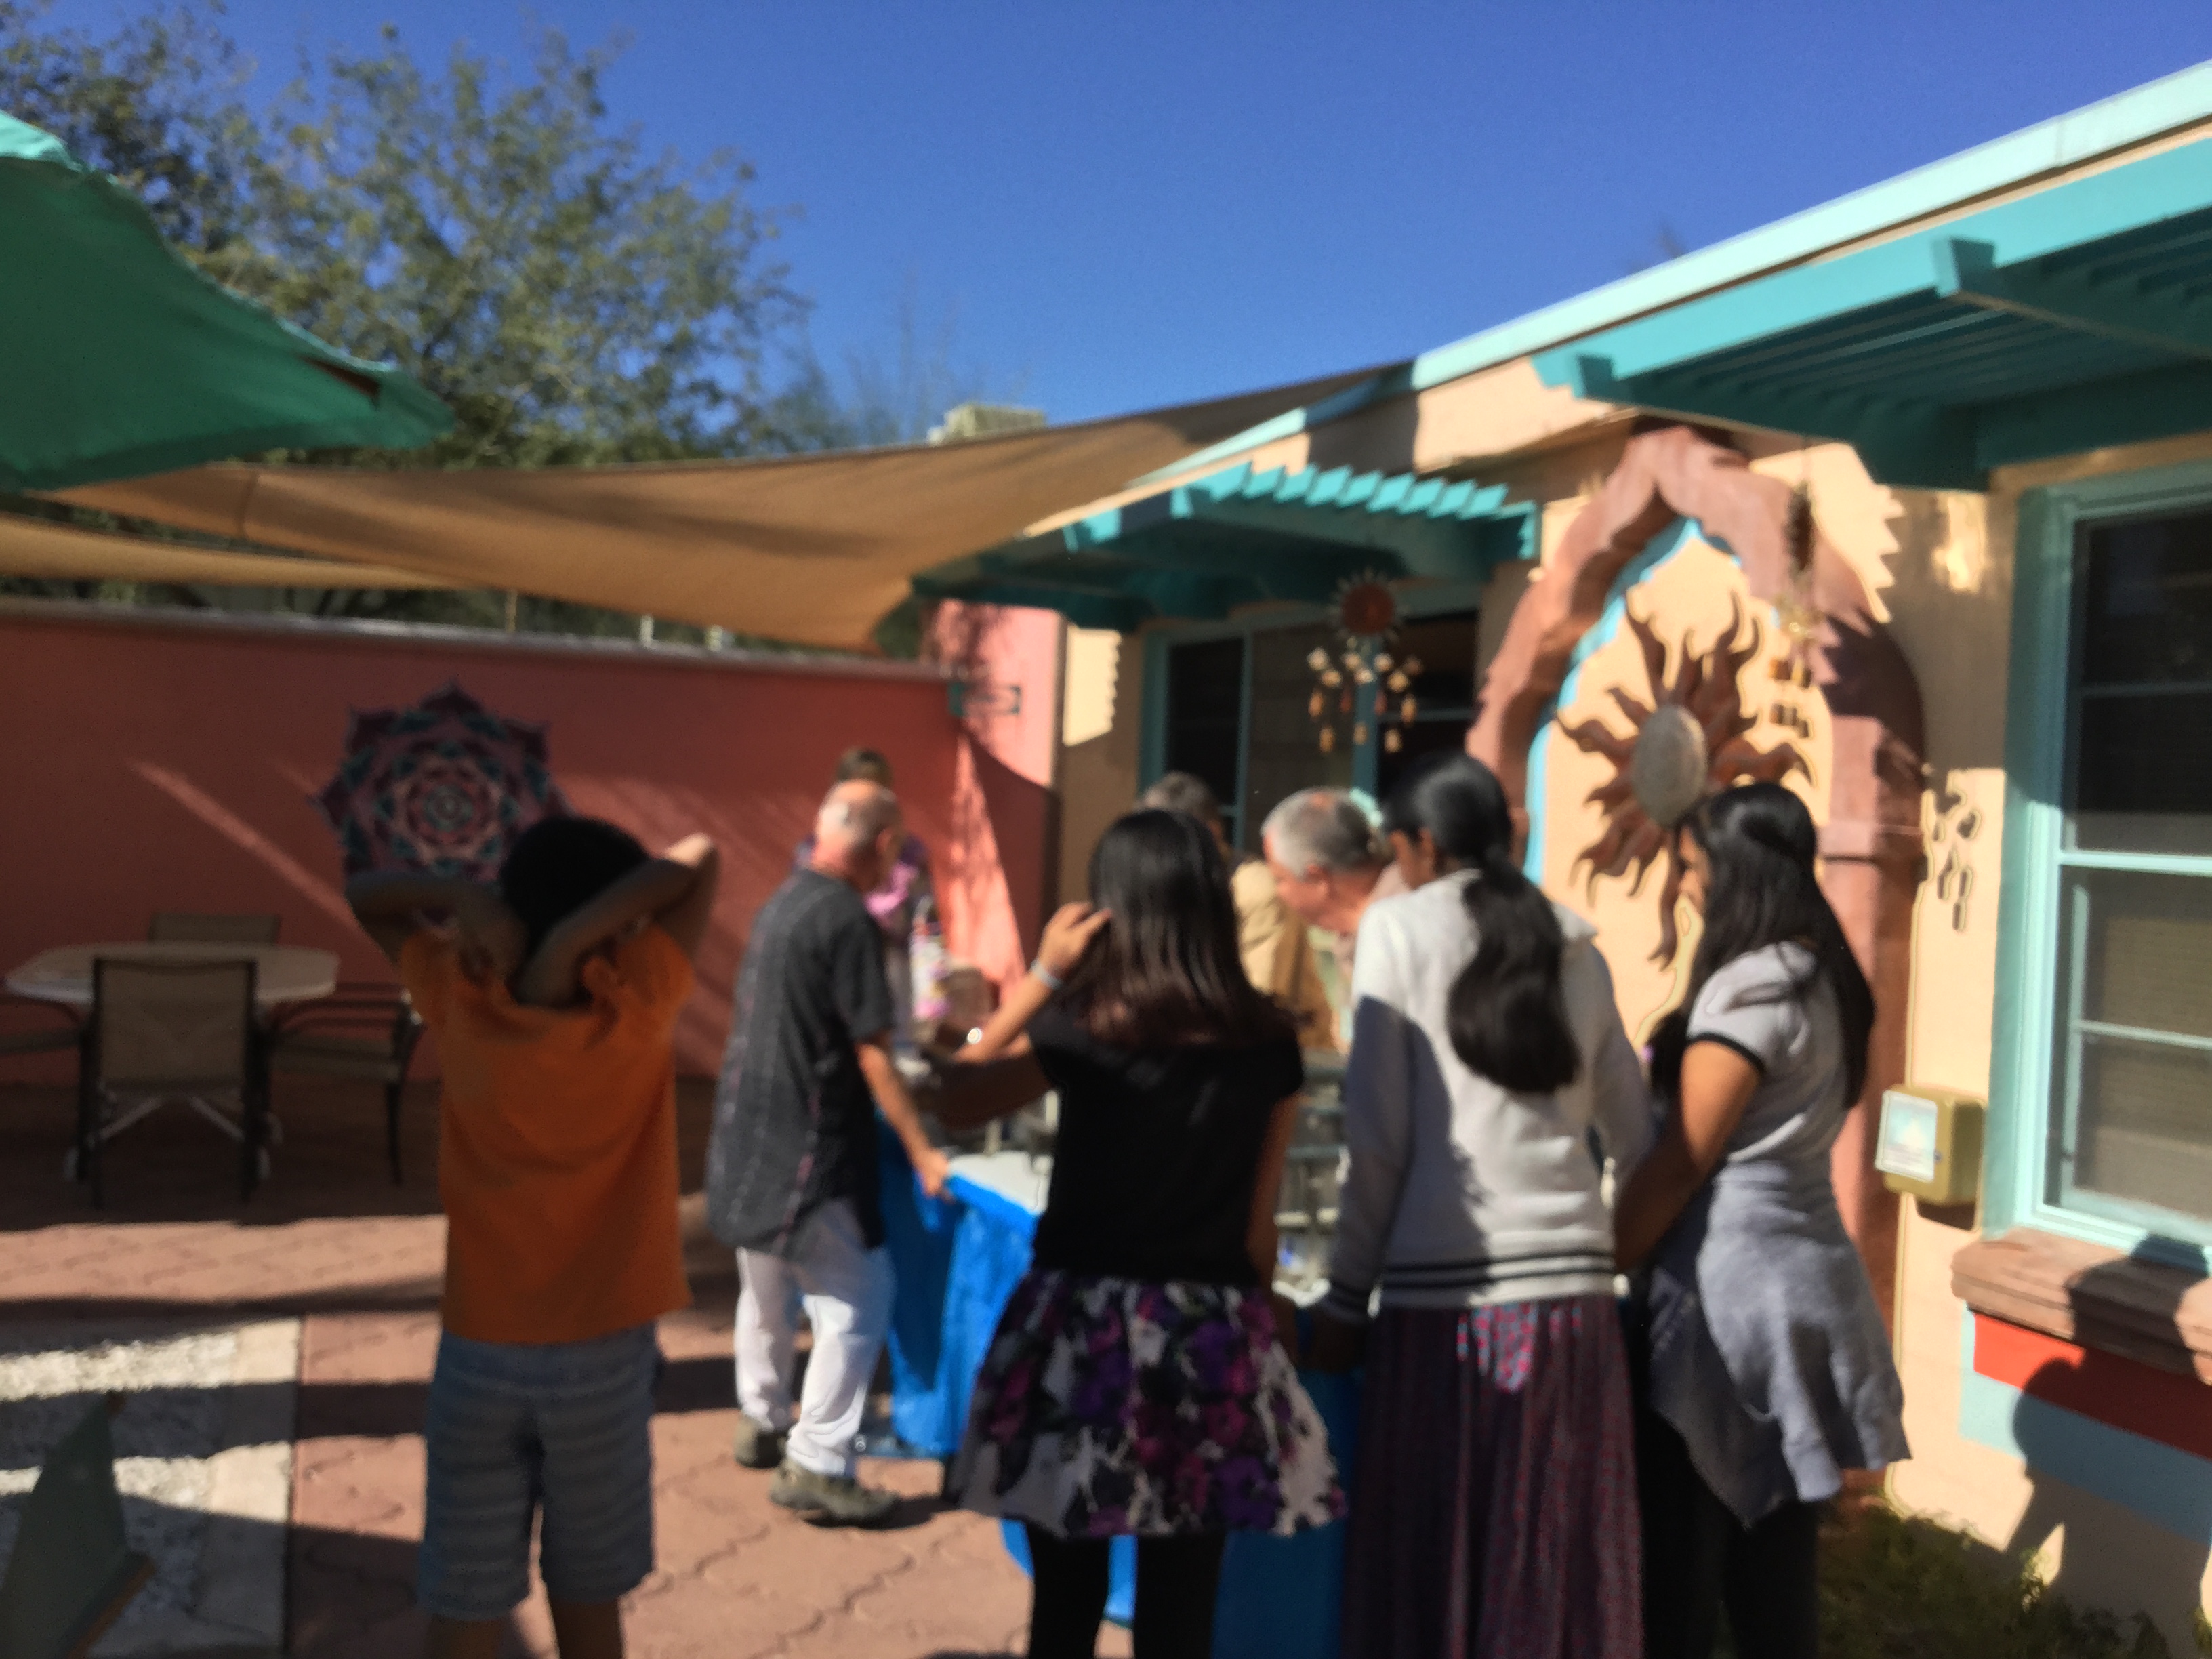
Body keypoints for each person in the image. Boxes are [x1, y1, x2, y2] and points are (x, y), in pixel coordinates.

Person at [929, 810, 1345, 1659]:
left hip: (1080, 1331)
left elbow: (957, 1096)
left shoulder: (1086, 1027)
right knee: (1180, 1613)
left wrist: (1045, 973)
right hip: (1208, 1339)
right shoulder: (1267, 1041)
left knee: (1065, 1603)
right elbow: (1259, 1229)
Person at [348, 817, 720, 1659]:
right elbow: (700, 858)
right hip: (603, 1356)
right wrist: (574, 942)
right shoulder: (640, 994)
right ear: (618, 917)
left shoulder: (462, 995)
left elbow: (365, 894)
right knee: (588, 1596)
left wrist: (462, 899)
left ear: (511, 904)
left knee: (467, 1603)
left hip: (480, 1351)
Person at [1308, 755, 1652, 1659]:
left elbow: (1377, 1145)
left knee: (1443, 1554)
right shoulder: (1578, 947)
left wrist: (1345, 1296)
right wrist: (1616, 1253)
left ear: (1422, 845)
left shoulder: (1397, 932)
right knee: (1550, 1553)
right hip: (1576, 1312)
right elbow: (1636, 1132)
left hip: (1447, 1312)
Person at [1613, 783, 1908, 1659]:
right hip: (1809, 1278)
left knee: (1680, 1563)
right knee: (1774, 1563)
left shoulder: (1750, 989)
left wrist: (1608, 1255)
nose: (1684, 887)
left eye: (1691, 867)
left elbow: (1683, 1159)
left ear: (1736, 872)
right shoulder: (1825, 975)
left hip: (1727, 1294)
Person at [706, 780, 954, 1526]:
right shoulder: (846, 919)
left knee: (766, 1291)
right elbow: (873, 1051)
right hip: (808, 1149)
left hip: (750, 1141)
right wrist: (924, 1151)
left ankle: (761, 1418)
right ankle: (818, 1461)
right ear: (883, 845)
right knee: (858, 1296)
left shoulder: (782, 902)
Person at [1137, 771, 1336, 1050]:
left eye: (1165, 842)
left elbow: (1256, 1003)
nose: (1155, 855)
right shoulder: (1167, 887)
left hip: (1279, 1060)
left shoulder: (1257, 890)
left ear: (1211, 834)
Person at [794, 746, 940, 1046]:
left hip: (892, 977)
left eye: (879, 789)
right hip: (831, 972)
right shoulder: (815, 854)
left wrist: (931, 1001)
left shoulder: (909, 854)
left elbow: (925, 925)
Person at [1260, 788, 1406, 1014]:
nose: (1277, 892)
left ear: (1317, 878)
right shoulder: (1360, 930)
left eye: (1280, 879)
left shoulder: (1404, 925)